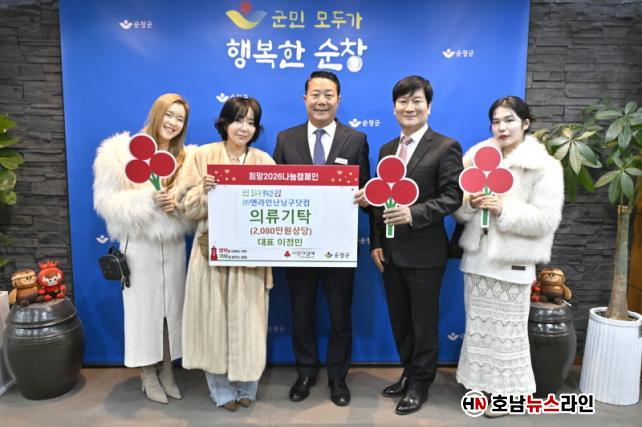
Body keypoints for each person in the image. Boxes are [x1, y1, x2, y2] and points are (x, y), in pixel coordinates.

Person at [454, 96, 563, 417]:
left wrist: (504, 209)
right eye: (496, 121)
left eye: (509, 120)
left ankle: (505, 394)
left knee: (508, 334)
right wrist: (469, 205)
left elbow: (546, 220)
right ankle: (478, 384)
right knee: (478, 328)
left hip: (513, 263)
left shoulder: (544, 166)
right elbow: (459, 212)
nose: (502, 127)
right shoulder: (475, 159)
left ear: (526, 123)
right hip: (477, 260)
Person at [361, 76, 463, 415]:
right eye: (403, 101)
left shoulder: (445, 146)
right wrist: (377, 241)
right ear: (394, 108)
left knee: (423, 323)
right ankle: (408, 372)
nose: (409, 107)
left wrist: (414, 213)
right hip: (390, 253)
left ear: (428, 107)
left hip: (425, 253)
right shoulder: (387, 149)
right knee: (400, 321)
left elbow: (452, 196)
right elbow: (379, 199)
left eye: (416, 101)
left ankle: (420, 384)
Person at [273, 70, 370, 407]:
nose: (321, 101)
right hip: (298, 245)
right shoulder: (286, 139)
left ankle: (338, 378)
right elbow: (274, 191)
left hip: (340, 246)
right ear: (305, 99)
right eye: (315, 94)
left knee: (340, 316)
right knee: (301, 313)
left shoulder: (355, 139)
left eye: (328, 94)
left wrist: (366, 197)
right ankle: (305, 372)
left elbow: (367, 188)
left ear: (338, 100)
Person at [175, 96, 274, 412]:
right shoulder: (202, 156)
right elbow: (184, 206)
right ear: (225, 123)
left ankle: (247, 386)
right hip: (210, 254)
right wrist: (203, 192)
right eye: (238, 120)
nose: (244, 128)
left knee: (250, 322)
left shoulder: (264, 161)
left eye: (251, 122)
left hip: (251, 256)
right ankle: (220, 390)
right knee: (212, 321)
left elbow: (276, 209)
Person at [93, 93, 192, 404]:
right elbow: (106, 202)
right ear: (156, 113)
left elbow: (194, 203)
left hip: (173, 246)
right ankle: (147, 374)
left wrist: (178, 206)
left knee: (172, 310)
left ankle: (168, 370)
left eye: (180, 119)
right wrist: (148, 200)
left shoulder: (185, 158)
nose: (173, 123)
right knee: (142, 311)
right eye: (169, 115)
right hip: (139, 246)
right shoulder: (119, 152)